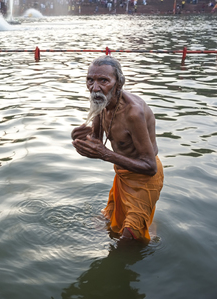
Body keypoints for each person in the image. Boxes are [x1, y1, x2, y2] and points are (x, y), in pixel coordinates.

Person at [71, 56, 164, 242]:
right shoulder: (101, 103)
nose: (95, 88)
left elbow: (150, 166)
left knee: (130, 239)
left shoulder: (133, 112)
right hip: (123, 174)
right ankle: (147, 224)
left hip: (145, 178)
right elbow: (96, 141)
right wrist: (78, 138)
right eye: (90, 80)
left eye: (103, 81)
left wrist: (105, 154)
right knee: (107, 223)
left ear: (119, 83)